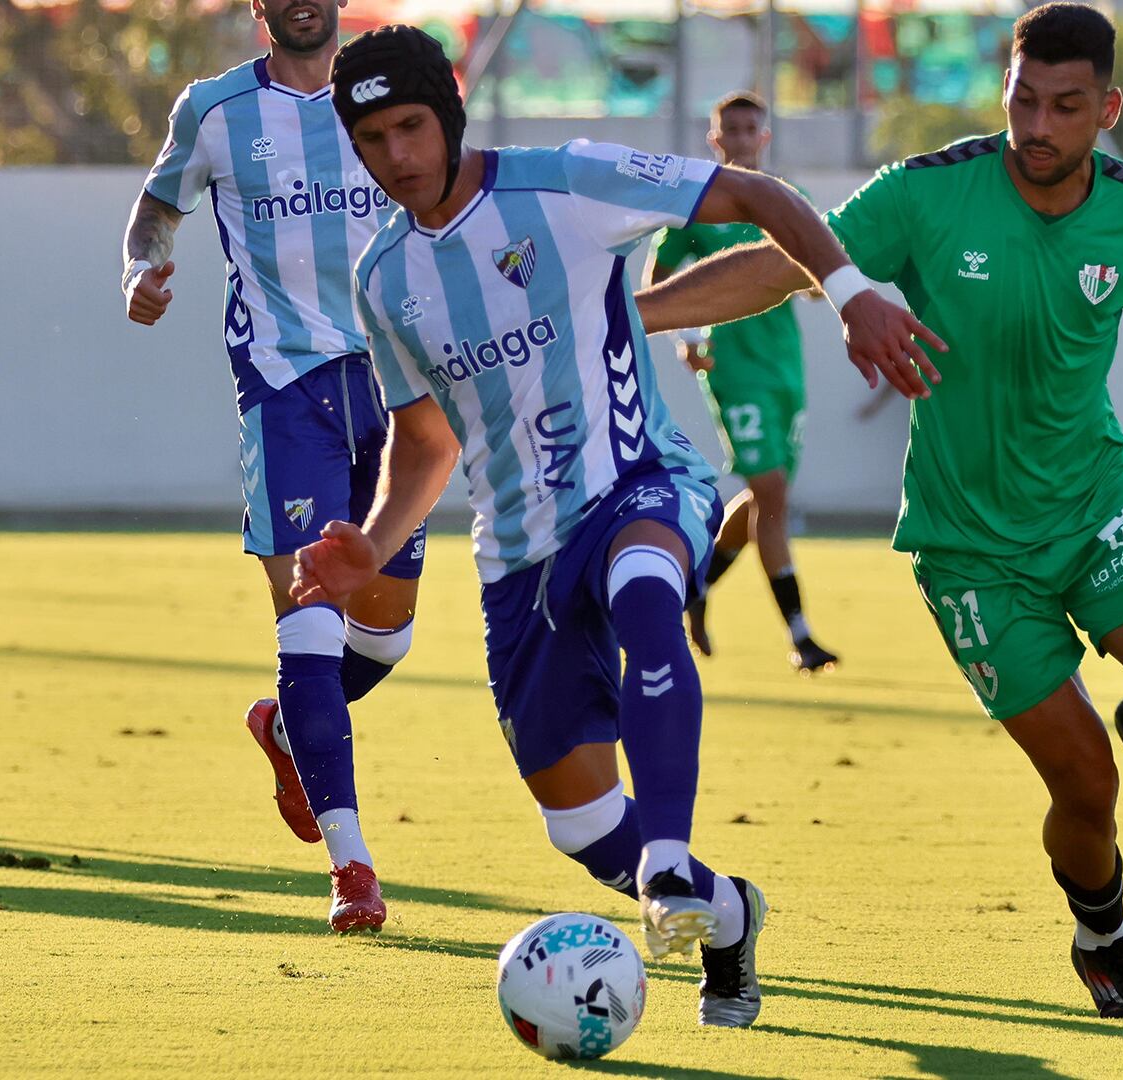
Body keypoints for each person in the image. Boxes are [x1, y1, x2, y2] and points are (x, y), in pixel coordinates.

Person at [635, 3, 1123, 1020]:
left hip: (1095, 506)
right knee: (1084, 789)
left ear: (1107, 109)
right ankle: (1104, 939)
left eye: (1066, 107)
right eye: (1024, 101)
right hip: (970, 550)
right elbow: (785, 265)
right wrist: (633, 314)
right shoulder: (925, 194)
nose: (1038, 126)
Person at [290, 25, 938, 1027]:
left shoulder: (566, 180)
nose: (397, 157)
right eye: (371, 140)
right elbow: (424, 446)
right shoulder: (384, 282)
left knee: (645, 588)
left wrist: (849, 295)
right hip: (517, 557)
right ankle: (724, 913)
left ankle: (672, 860)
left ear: (450, 111)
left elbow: (757, 196)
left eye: (411, 126)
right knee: (583, 824)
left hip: (640, 480)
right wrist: (368, 548)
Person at [121, 0, 427, 933]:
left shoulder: (387, 103)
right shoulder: (215, 111)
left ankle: (289, 727)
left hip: (400, 385)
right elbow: (154, 213)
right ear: (259, 6)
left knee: (385, 639)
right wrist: (141, 268)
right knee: (310, 620)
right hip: (285, 389)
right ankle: (353, 869)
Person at [647, 92, 839, 673]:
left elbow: (816, 277)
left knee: (765, 496)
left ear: (764, 137)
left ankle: (696, 587)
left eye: (749, 128)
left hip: (785, 368)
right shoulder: (698, 207)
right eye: (728, 129)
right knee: (774, 493)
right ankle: (801, 635)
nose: (738, 137)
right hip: (734, 369)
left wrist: (815, 277)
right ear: (714, 138)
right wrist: (688, 339)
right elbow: (655, 284)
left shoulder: (787, 202)